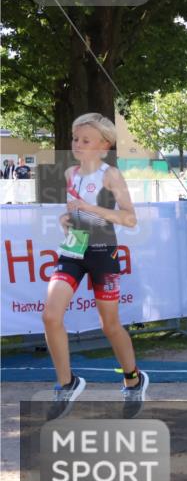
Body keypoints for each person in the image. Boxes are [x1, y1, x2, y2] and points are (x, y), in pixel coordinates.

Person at [43, 113, 147, 420]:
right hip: (73, 250)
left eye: (85, 140)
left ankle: (132, 378)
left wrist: (90, 209)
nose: (77, 144)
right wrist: (67, 221)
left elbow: (129, 218)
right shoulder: (70, 173)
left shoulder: (110, 175)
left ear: (104, 145)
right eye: (75, 139)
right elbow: (74, 215)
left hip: (103, 252)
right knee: (50, 315)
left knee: (109, 325)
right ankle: (67, 383)